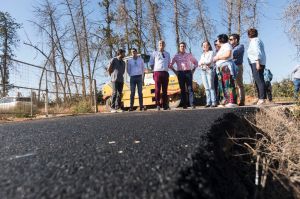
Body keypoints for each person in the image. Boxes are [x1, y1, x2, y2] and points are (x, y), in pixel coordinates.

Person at [169, 42, 198, 109]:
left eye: (183, 46)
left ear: (185, 47)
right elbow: (170, 65)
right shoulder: (176, 56)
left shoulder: (189, 55)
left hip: (188, 72)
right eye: (181, 46)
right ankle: (184, 105)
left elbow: (196, 62)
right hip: (180, 73)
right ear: (179, 48)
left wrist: (193, 70)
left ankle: (192, 104)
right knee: (182, 89)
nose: (182, 47)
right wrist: (175, 72)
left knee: (190, 88)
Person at [213, 34, 238, 108]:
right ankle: (225, 101)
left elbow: (228, 54)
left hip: (225, 67)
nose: (217, 41)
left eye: (217, 39)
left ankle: (231, 101)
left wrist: (217, 57)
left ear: (221, 39)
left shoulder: (227, 45)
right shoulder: (222, 48)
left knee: (228, 84)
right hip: (220, 67)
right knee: (222, 85)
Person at [247, 28, 267, 106]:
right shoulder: (258, 40)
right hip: (258, 61)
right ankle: (260, 98)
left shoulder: (254, 41)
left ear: (249, 35)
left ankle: (262, 98)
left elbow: (257, 51)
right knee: (258, 79)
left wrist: (257, 62)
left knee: (259, 79)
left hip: (256, 62)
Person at [149, 40, 171, 110]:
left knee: (165, 90)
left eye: (162, 43)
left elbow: (168, 63)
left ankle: (165, 105)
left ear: (164, 45)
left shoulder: (167, 54)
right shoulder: (154, 53)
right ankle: (158, 104)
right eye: (160, 43)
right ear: (158, 45)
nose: (161, 44)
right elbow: (151, 63)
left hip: (165, 73)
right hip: (157, 73)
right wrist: (155, 70)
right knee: (157, 89)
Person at [199, 41, 217, 107]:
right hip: (203, 71)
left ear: (209, 46)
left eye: (205, 45)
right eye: (203, 45)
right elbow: (199, 63)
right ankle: (208, 102)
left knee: (211, 87)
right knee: (206, 87)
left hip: (209, 70)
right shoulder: (202, 54)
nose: (204, 46)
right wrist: (203, 63)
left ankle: (214, 102)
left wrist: (202, 63)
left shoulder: (211, 52)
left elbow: (209, 61)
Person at [229, 33, 245, 106]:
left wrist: (227, 54)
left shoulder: (240, 46)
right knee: (231, 84)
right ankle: (233, 100)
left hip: (238, 66)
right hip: (230, 67)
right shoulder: (230, 48)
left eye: (231, 39)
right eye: (229, 39)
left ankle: (242, 101)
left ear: (236, 40)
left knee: (239, 84)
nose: (230, 41)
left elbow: (233, 53)